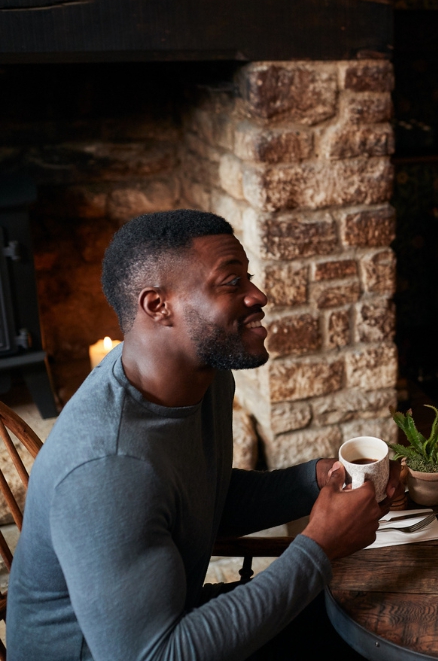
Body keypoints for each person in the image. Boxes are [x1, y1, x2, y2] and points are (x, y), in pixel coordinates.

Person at [7, 210, 395, 660]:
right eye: (232, 282)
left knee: (372, 622)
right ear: (157, 305)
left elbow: (200, 499)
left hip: (173, 621)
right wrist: (319, 547)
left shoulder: (204, 379)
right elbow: (155, 656)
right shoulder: (107, 468)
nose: (259, 295)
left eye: (248, 278)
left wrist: (319, 479)